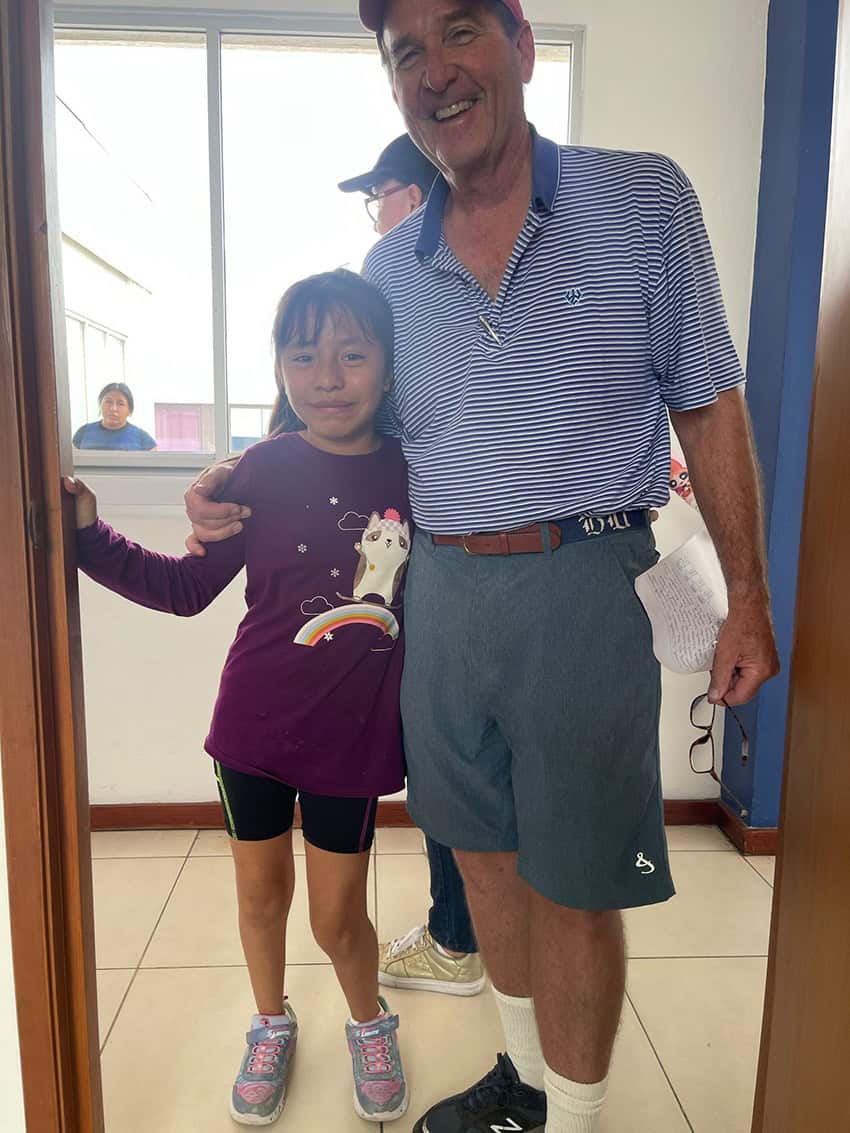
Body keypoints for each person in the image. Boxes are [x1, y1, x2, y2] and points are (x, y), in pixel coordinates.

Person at [184, 2, 781, 1130]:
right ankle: (524, 1082)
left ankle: (582, 1114)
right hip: (441, 596)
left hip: (585, 579)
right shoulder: (388, 266)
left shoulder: (643, 199)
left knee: (574, 881)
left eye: (458, 33)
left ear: (519, 43)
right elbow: (334, 420)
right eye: (405, 52)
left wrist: (747, 595)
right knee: (489, 863)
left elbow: (706, 396)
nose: (435, 71)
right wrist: (226, 485)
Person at [66, 270, 411, 1127]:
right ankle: (270, 1022)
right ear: (281, 369)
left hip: (354, 741)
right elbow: (185, 589)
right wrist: (86, 536)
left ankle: (370, 1022)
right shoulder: (260, 467)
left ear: (387, 362)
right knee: (261, 897)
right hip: (253, 731)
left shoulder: (420, 472)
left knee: (338, 919)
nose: (327, 376)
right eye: (304, 356)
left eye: (351, 354)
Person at [341, 135, 485, 997]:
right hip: (442, 554)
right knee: (464, 754)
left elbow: (351, 411)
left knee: (446, 757)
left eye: (385, 193)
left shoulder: (395, 277)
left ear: (425, 191)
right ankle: (468, 928)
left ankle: (457, 938)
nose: (379, 214)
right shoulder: (430, 277)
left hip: (442, 560)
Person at [72, 382, 157, 450]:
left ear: (129, 411)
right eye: (108, 402)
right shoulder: (83, 433)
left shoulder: (143, 439)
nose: (113, 408)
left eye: (120, 404)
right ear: (100, 405)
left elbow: (154, 468)